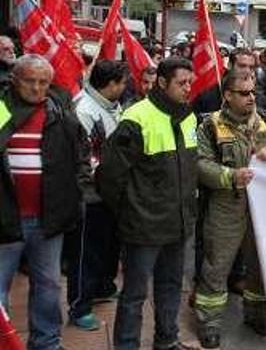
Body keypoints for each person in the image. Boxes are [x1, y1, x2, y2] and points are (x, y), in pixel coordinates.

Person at [97, 57, 198, 350]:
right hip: (143, 227)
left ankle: (167, 340)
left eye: (189, 82)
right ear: (162, 83)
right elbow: (110, 177)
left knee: (170, 288)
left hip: (177, 224)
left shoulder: (189, 116)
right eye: (181, 83)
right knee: (134, 294)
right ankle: (127, 345)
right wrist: (130, 212)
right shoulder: (137, 117)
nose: (187, 89)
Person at [193, 70, 266, 347]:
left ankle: (257, 313)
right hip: (226, 204)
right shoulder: (210, 125)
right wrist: (230, 176)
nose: (252, 98)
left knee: (260, 262)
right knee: (217, 264)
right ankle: (209, 321)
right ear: (227, 95)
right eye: (244, 93)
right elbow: (200, 164)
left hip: (262, 207)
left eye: (253, 92)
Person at [0, 54, 89, 350]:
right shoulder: (2, 109)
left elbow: (81, 156)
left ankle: (47, 343)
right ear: (14, 79)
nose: (37, 88)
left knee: (49, 286)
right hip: (5, 217)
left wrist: (75, 192)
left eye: (43, 82)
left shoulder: (60, 110)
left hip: (48, 217)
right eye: (30, 81)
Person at [66, 60, 128, 331]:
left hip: (111, 192)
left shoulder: (112, 107)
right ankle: (80, 306)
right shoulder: (85, 110)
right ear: (111, 84)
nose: (126, 87)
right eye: (123, 83)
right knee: (86, 253)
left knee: (108, 246)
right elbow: (85, 158)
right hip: (91, 195)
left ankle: (103, 286)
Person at [194, 48, 258, 117]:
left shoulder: (256, 92)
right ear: (229, 65)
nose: (247, 71)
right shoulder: (209, 92)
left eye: (251, 67)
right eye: (242, 66)